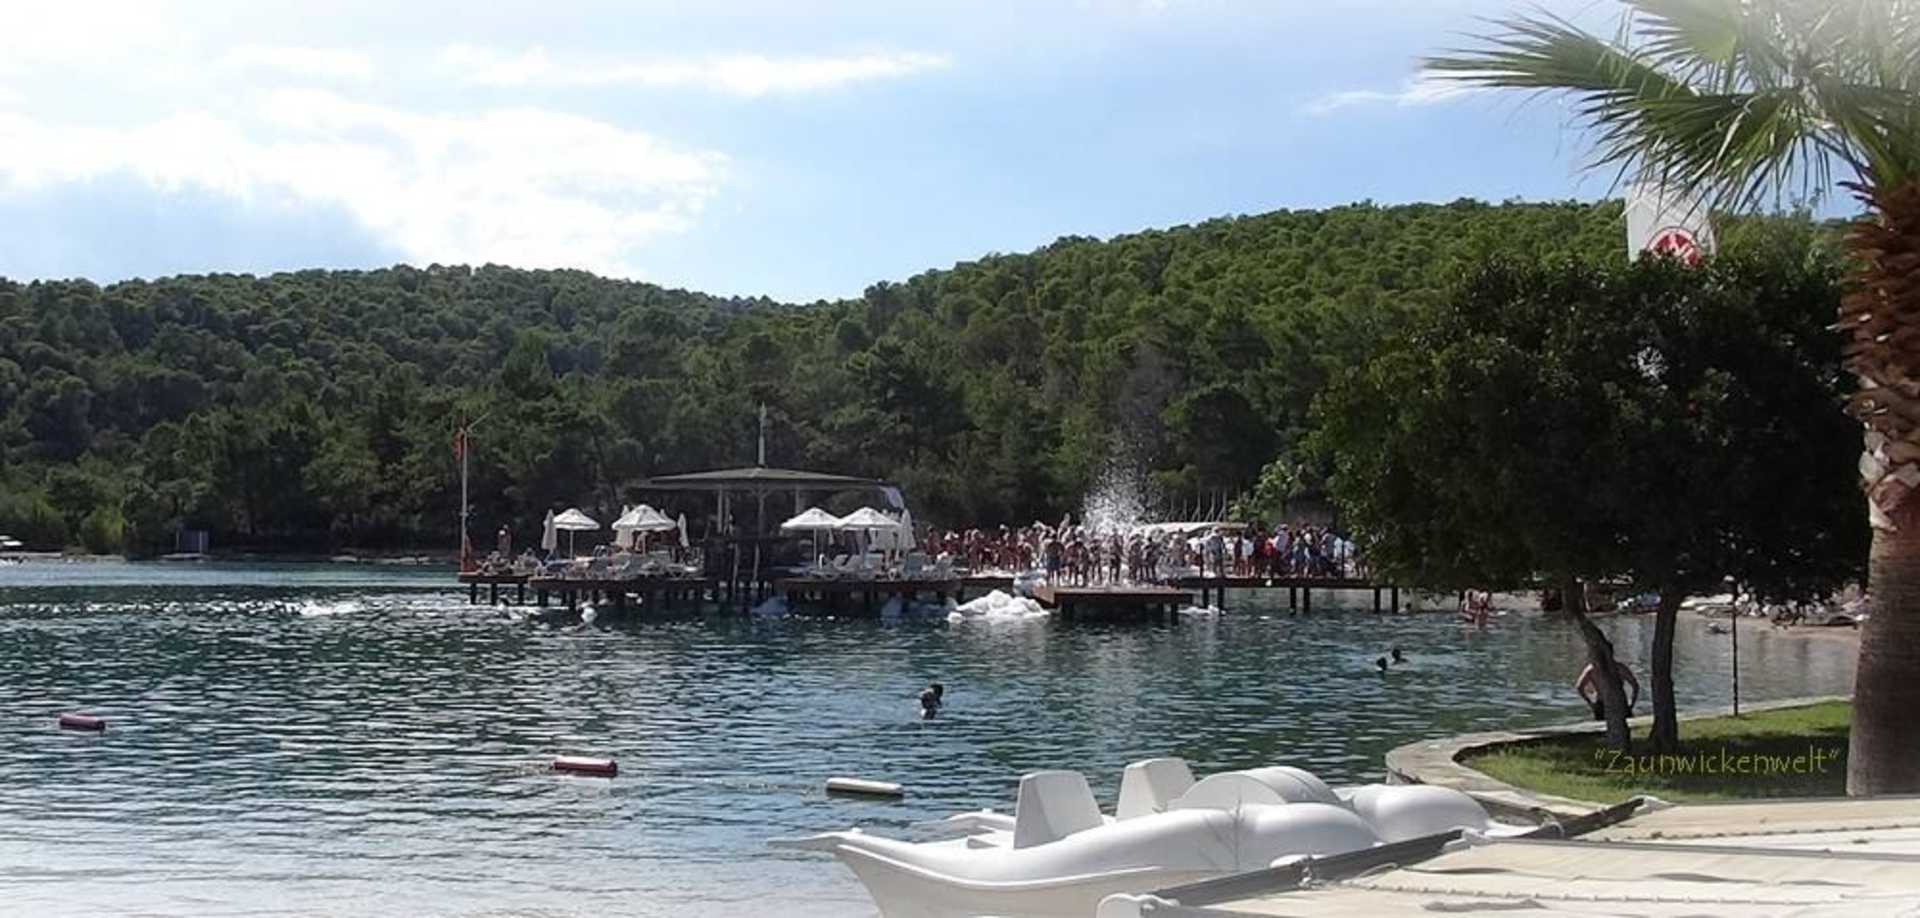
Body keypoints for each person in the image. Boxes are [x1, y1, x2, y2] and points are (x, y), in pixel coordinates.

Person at [1575, 661, 1640, 720]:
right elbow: (1635, 685)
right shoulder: (1619, 667)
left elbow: (1579, 687)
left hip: (1612, 703)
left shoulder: (1592, 669)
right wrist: (1632, 702)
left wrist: (1590, 703)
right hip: (1611, 703)